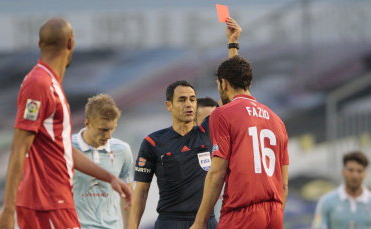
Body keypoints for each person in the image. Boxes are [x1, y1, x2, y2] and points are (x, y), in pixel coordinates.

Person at [0, 18, 132, 229]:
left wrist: (109, 178)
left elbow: (62, 148)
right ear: (70, 43)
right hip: (46, 202)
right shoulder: (38, 84)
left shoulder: (50, 84)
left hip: (54, 200)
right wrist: (8, 210)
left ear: (40, 45)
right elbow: (19, 146)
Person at [190, 18, 289, 229]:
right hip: (275, 214)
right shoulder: (277, 120)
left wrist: (198, 223)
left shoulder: (222, 115)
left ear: (223, 84)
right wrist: (233, 45)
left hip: (242, 215)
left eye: (219, 86)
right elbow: (284, 185)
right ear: (249, 82)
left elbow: (217, 173)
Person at [128, 80, 218, 229]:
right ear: (168, 105)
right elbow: (141, 192)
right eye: (182, 100)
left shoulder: (208, 131)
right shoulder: (152, 142)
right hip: (170, 223)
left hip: (206, 222)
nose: (189, 104)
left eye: (192, 99)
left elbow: (230, 94)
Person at [72, 94, 134, 229]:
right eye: (103, 130)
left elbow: (127, 197)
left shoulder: (122, 150)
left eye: (112, 128)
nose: (108, 136)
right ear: (87, 123)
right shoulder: (66, 148)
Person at [311, 151, 371, 229]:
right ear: (343, 172)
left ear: (365, 173)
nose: (355, 175)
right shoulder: (327, 201)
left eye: (359, 171)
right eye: (351, 170)